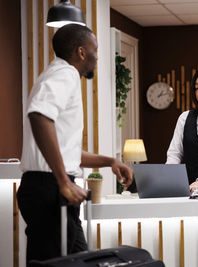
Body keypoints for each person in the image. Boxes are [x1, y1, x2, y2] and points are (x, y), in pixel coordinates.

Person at [17, 24, 133, 264]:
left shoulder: (56, 74)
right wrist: (63, 182)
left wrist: (110, 161)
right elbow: (38, 115)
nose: (97, 56)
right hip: (50, 187)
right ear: (81, 52)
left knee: (79, 260)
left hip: (49, 187)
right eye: (96, 50)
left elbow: (65, 151)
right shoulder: (66, 74)